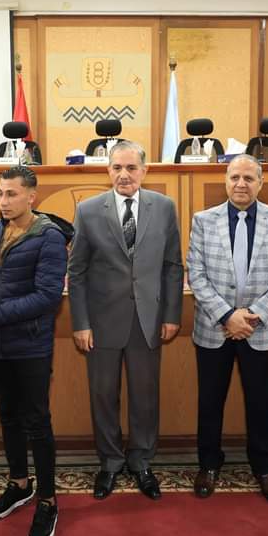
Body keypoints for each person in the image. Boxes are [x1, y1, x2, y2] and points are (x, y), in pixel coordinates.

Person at [67, 141, 183, 501]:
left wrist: (172, 315)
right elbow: (77, 271)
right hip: (101, 323)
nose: (124, 175)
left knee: (145, 396)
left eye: (131, 168)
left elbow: (172, 266)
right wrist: (80, 323)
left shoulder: (164, 207)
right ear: (108, 170)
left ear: (144, 171)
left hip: (148, 320)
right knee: (103, 395)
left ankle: (141, 460)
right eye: (117, 168)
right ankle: (111, 462)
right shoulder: (88, 210)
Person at [0, 165, 73, 536]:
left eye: (11, 194)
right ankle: (19, 484)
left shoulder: (49, 237)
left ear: (31, 196)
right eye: (0, 193)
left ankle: (47, 500)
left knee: (37, 422)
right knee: (8, 416)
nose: (4, 201)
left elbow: (47, 297)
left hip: (30, 345)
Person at [186, 154, 268, 505]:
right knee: (210, 402)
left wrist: (253, 315)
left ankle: (263, 468)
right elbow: (196, 275)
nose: (241, 184)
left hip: (260, 330)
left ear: (260, 183)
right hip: (214, 328)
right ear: (225, 180)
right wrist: (226, 316)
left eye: (249, 178)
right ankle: (208, 464)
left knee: (261, 403)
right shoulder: (203, 221)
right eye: (235, 177)